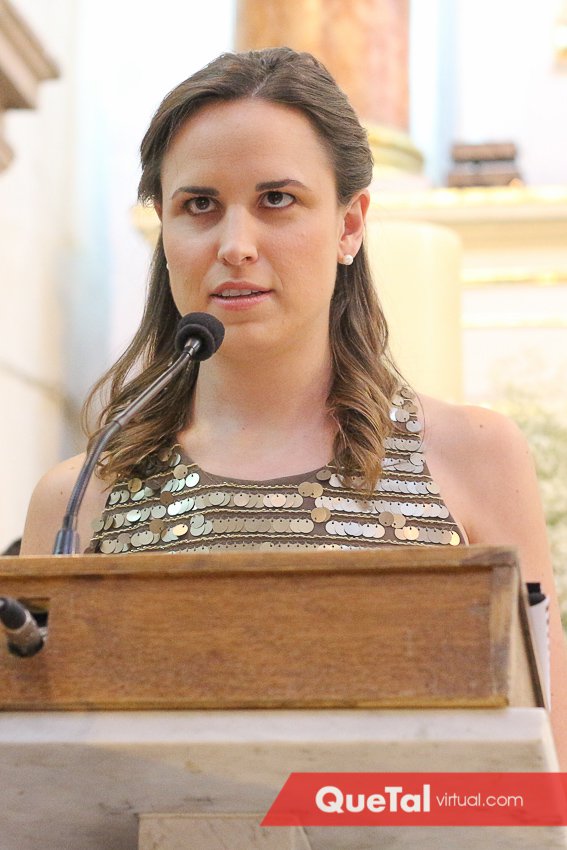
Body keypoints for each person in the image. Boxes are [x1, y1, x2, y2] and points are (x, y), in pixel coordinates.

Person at [20, 47, 567, 764]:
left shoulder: (473, 455)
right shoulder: (80, 497)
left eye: (276, 199)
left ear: (349, 224)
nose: (235, 245)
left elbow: (547, 772)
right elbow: (36, 777)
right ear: (164, 229)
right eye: (199, 205)